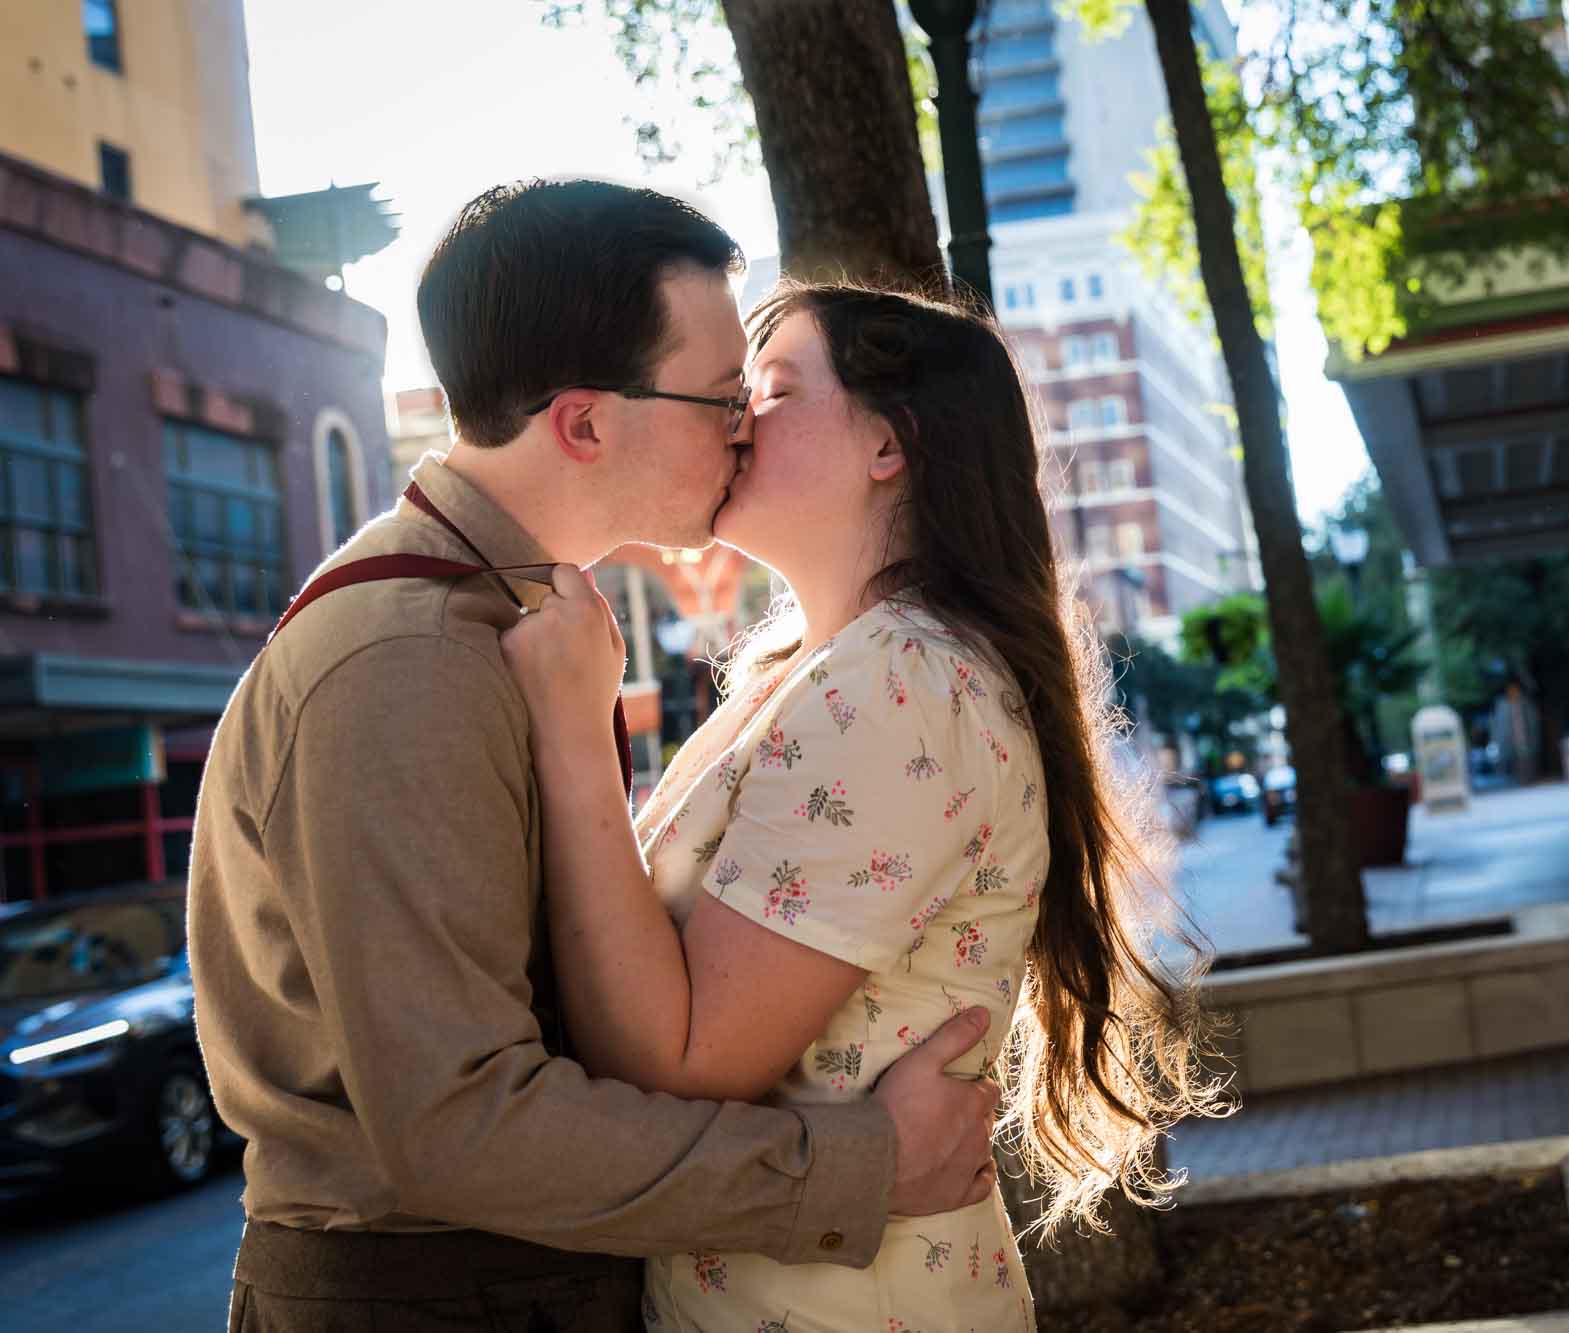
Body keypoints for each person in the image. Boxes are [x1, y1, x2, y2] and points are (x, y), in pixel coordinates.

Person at [186, 181, 1000, 1333]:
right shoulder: (404, 659)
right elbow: (459, 1125)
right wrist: (854, 1168)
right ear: (583, 422)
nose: (743, 429)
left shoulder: (519, 623)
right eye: (722, 397)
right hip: (437, 1296)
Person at [500, 280, 1228, 1331]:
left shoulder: (899, 685)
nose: (737, 419)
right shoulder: (823, 671)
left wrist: (573, 733)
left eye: (776, 388)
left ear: (889, 443)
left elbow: (684, 1060)